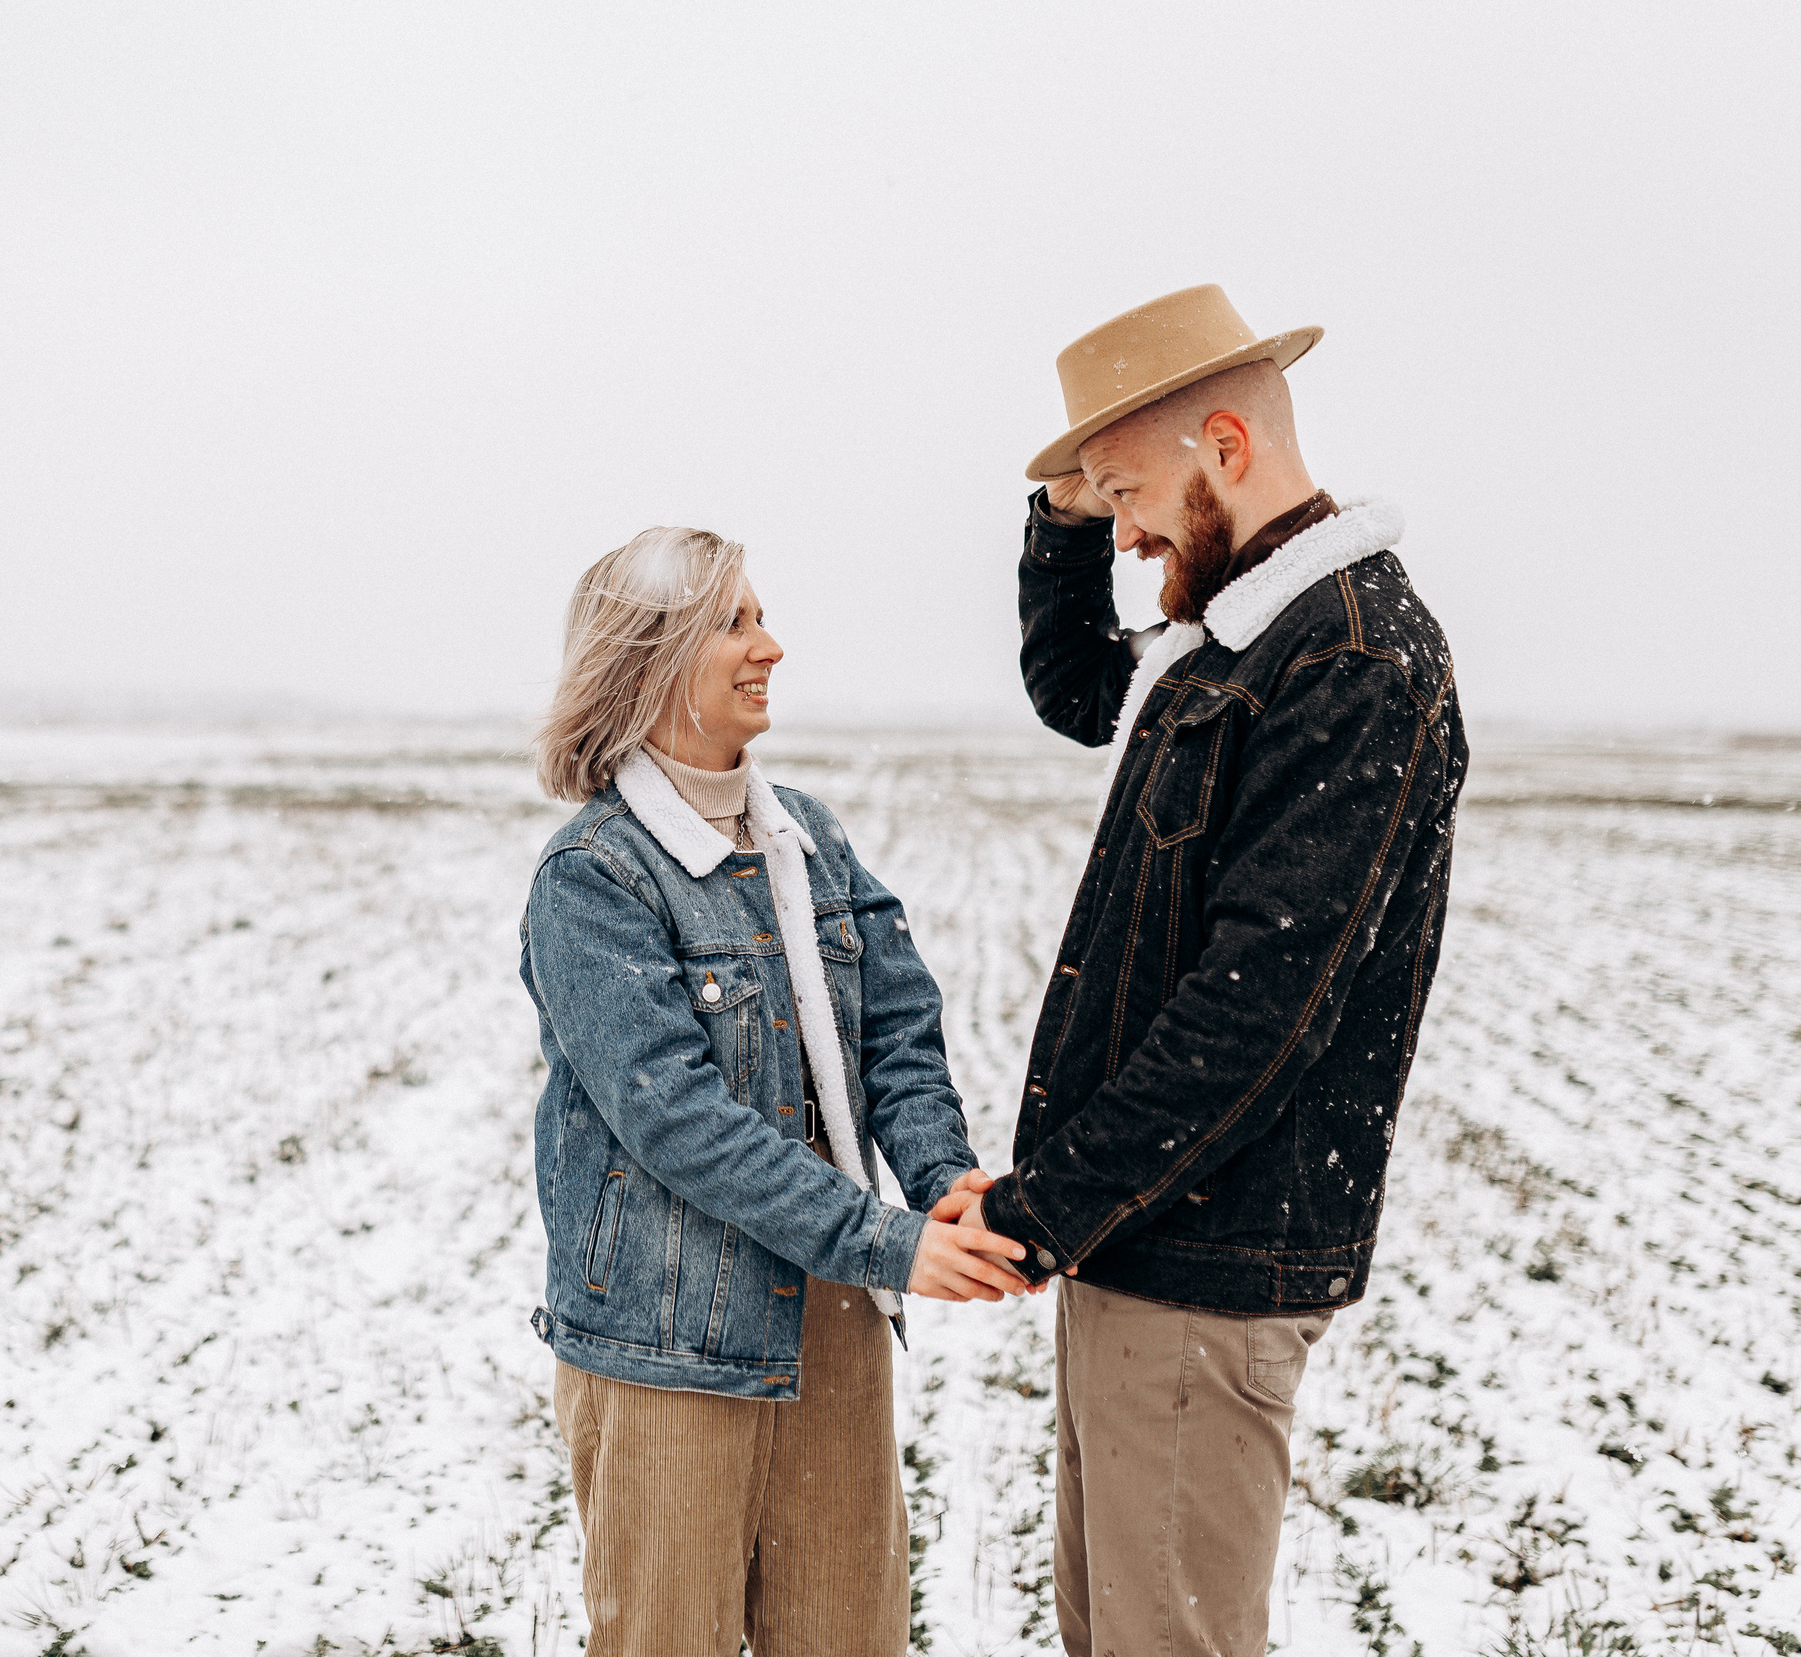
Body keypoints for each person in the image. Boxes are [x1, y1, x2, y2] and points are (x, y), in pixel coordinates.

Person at [952, 284, 1465, 1657]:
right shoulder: (1223, 642)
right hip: (1145, 1241)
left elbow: (1262, 1009)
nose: (1122, 537)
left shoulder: (1349, 656)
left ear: (1225, 445)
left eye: (1126, 494)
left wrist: (1038, 1209)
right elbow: (1074, 686)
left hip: (1204, 1262)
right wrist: (1063, 505)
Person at [520, 526, 1029, 1656]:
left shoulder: (810, 839)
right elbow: (676, 1119)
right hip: (669, 1345)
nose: (772, 648)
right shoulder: (592, 877)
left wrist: (941, 1180)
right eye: (736, 624)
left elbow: (897, 1031)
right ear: (650, 660)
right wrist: (887, 1240)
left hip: (831, 1324)